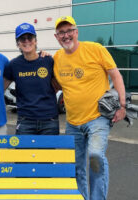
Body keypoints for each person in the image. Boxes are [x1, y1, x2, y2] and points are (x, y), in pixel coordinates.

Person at [53, 16, 126, 200]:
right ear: (56, 37)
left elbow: (116, 76)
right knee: (76, 166)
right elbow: (57, 85)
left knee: (95, 156)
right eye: (61, 32)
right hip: (72, 122)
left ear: (76, 32)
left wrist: (122, 106)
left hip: (97, 118)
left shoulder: (95, 49)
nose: (66, 35)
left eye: (69, 30)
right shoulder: (57, 58)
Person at [3, 23, 59, 135]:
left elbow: (57, 87)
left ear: (36, 40)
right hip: (25, 121)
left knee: (48, 153)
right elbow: (0, 89)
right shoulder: (13, 65)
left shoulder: (48, 60)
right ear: (18, 44)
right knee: (24, 153)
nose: (27, 41)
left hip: (49, 121)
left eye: (30, 37)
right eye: (22, 39)